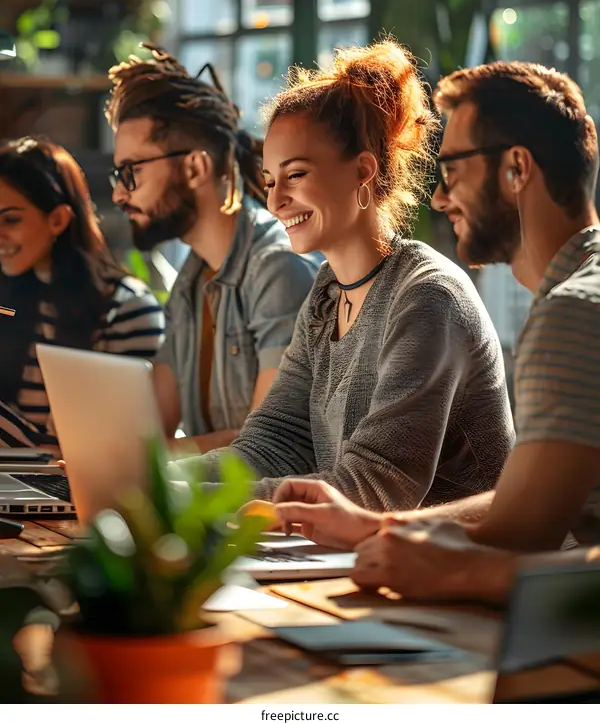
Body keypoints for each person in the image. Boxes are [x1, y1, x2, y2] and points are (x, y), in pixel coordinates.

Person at [274, 61, 600, 594]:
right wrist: (378, 527)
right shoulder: (575, 300)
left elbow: (523, 532)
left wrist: (455, 569)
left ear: (516, 169)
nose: (439, 197)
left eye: (453, 171)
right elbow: (524, 505)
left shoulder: (574, 312)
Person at [185, 39, 514, 509]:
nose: (275, 201)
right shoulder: (326, 293)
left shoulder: (428, 296)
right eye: (270, 180)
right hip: (373, 551)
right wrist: (149, 482)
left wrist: (183, 500)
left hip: (477, 555)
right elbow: (273, 442)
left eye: (296, 175)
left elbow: (375, 487)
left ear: (362, 171)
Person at [106, 46, 317, 453]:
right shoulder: (190, 284)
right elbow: (152, 430)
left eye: (131, 172)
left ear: (195, 168)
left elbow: (266, 447)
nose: (118, 193)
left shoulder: (277, 270)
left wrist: (145, 458)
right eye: (119, 174)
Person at [0, 136, 165, 450]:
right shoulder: (9, 301)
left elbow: (119, 447)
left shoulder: (125, 308)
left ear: (58, 220)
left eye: (10, 219)